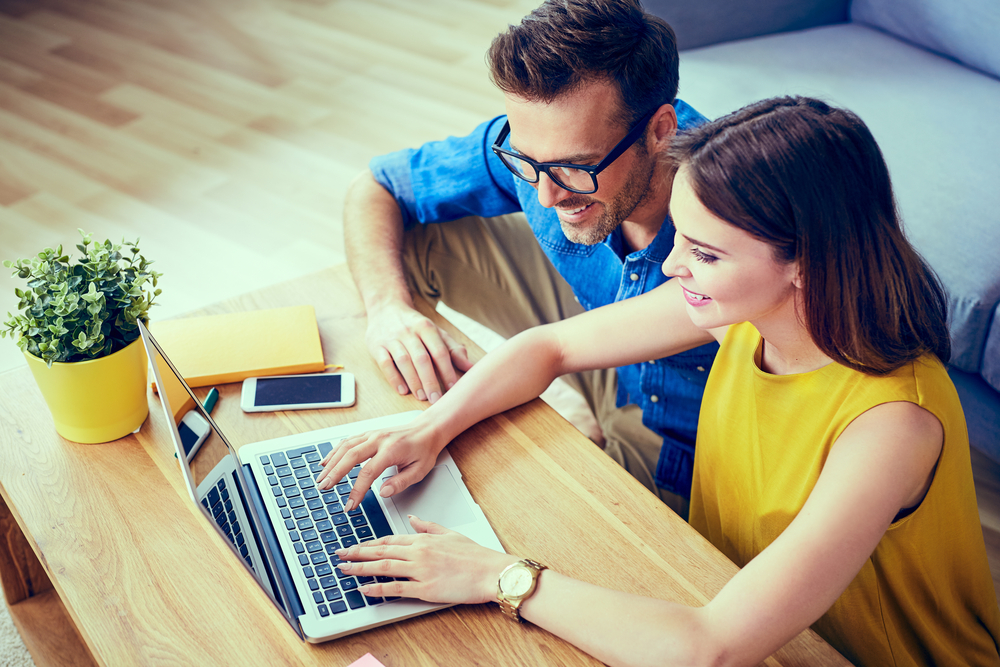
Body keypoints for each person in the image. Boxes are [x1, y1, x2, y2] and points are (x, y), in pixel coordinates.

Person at [319, 97, 1000, 666]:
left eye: (704, 252)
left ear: (805, 261)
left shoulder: (892, 424)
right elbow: (549, 347)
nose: (672, 264)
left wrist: (493, 574)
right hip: (721, 596)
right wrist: (429, 429)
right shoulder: (746, 311)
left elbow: (710, 648)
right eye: (683, 237)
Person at [343, 0, 719, 510]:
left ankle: (591, 440)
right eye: (527, 160)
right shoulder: (548, 148)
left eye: (575, 167)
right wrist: (388, 310)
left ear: (659, 130)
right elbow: (376, 186)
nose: (546, 197)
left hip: (690, 437)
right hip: (599, 347)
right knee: (409, 241)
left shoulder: (733, 213)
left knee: (534, 512)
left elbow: (550, 350)